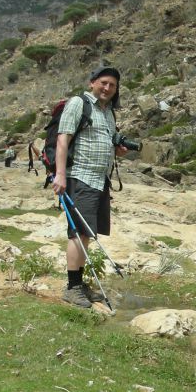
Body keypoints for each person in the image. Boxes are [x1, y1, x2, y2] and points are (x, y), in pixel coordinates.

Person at [52, 65, 127, 308]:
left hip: (99, 180)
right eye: (103, 83)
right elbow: (63, 139)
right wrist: (60, 175)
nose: (107, 88)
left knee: (87, 233)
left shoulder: (107, 112)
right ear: (92, 82)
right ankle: (72, 288)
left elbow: (100, 139)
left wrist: (117, 150)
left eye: (112, 85)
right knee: (78, 232)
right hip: (80, 176)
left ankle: (80, 285)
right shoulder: (78, 103)